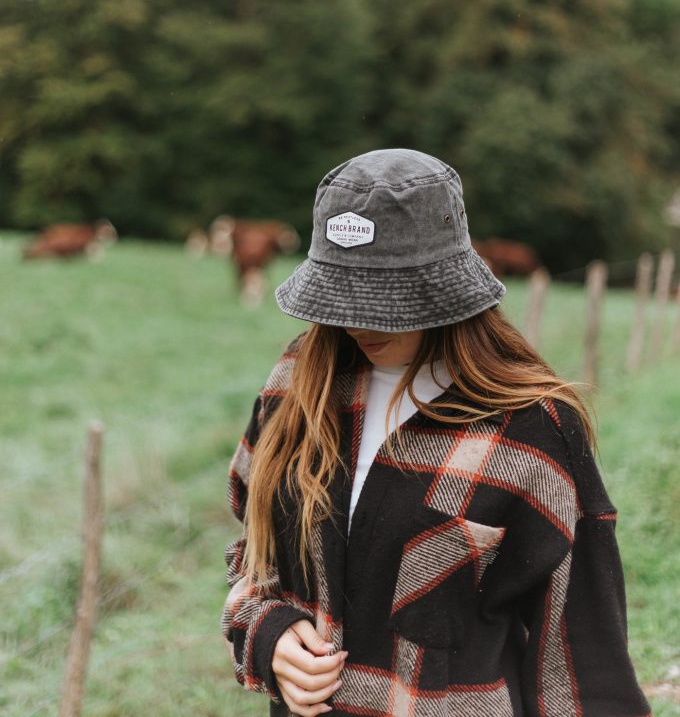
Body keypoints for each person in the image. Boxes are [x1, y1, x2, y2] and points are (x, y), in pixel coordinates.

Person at [221, 148, 650, 717]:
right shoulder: (296, 387)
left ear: (446, 287)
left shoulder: (531, 427)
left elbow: (582, 656)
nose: (355, 323)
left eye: (381, 299)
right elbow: (256, 558)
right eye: (341, 295)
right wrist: (267, 633)